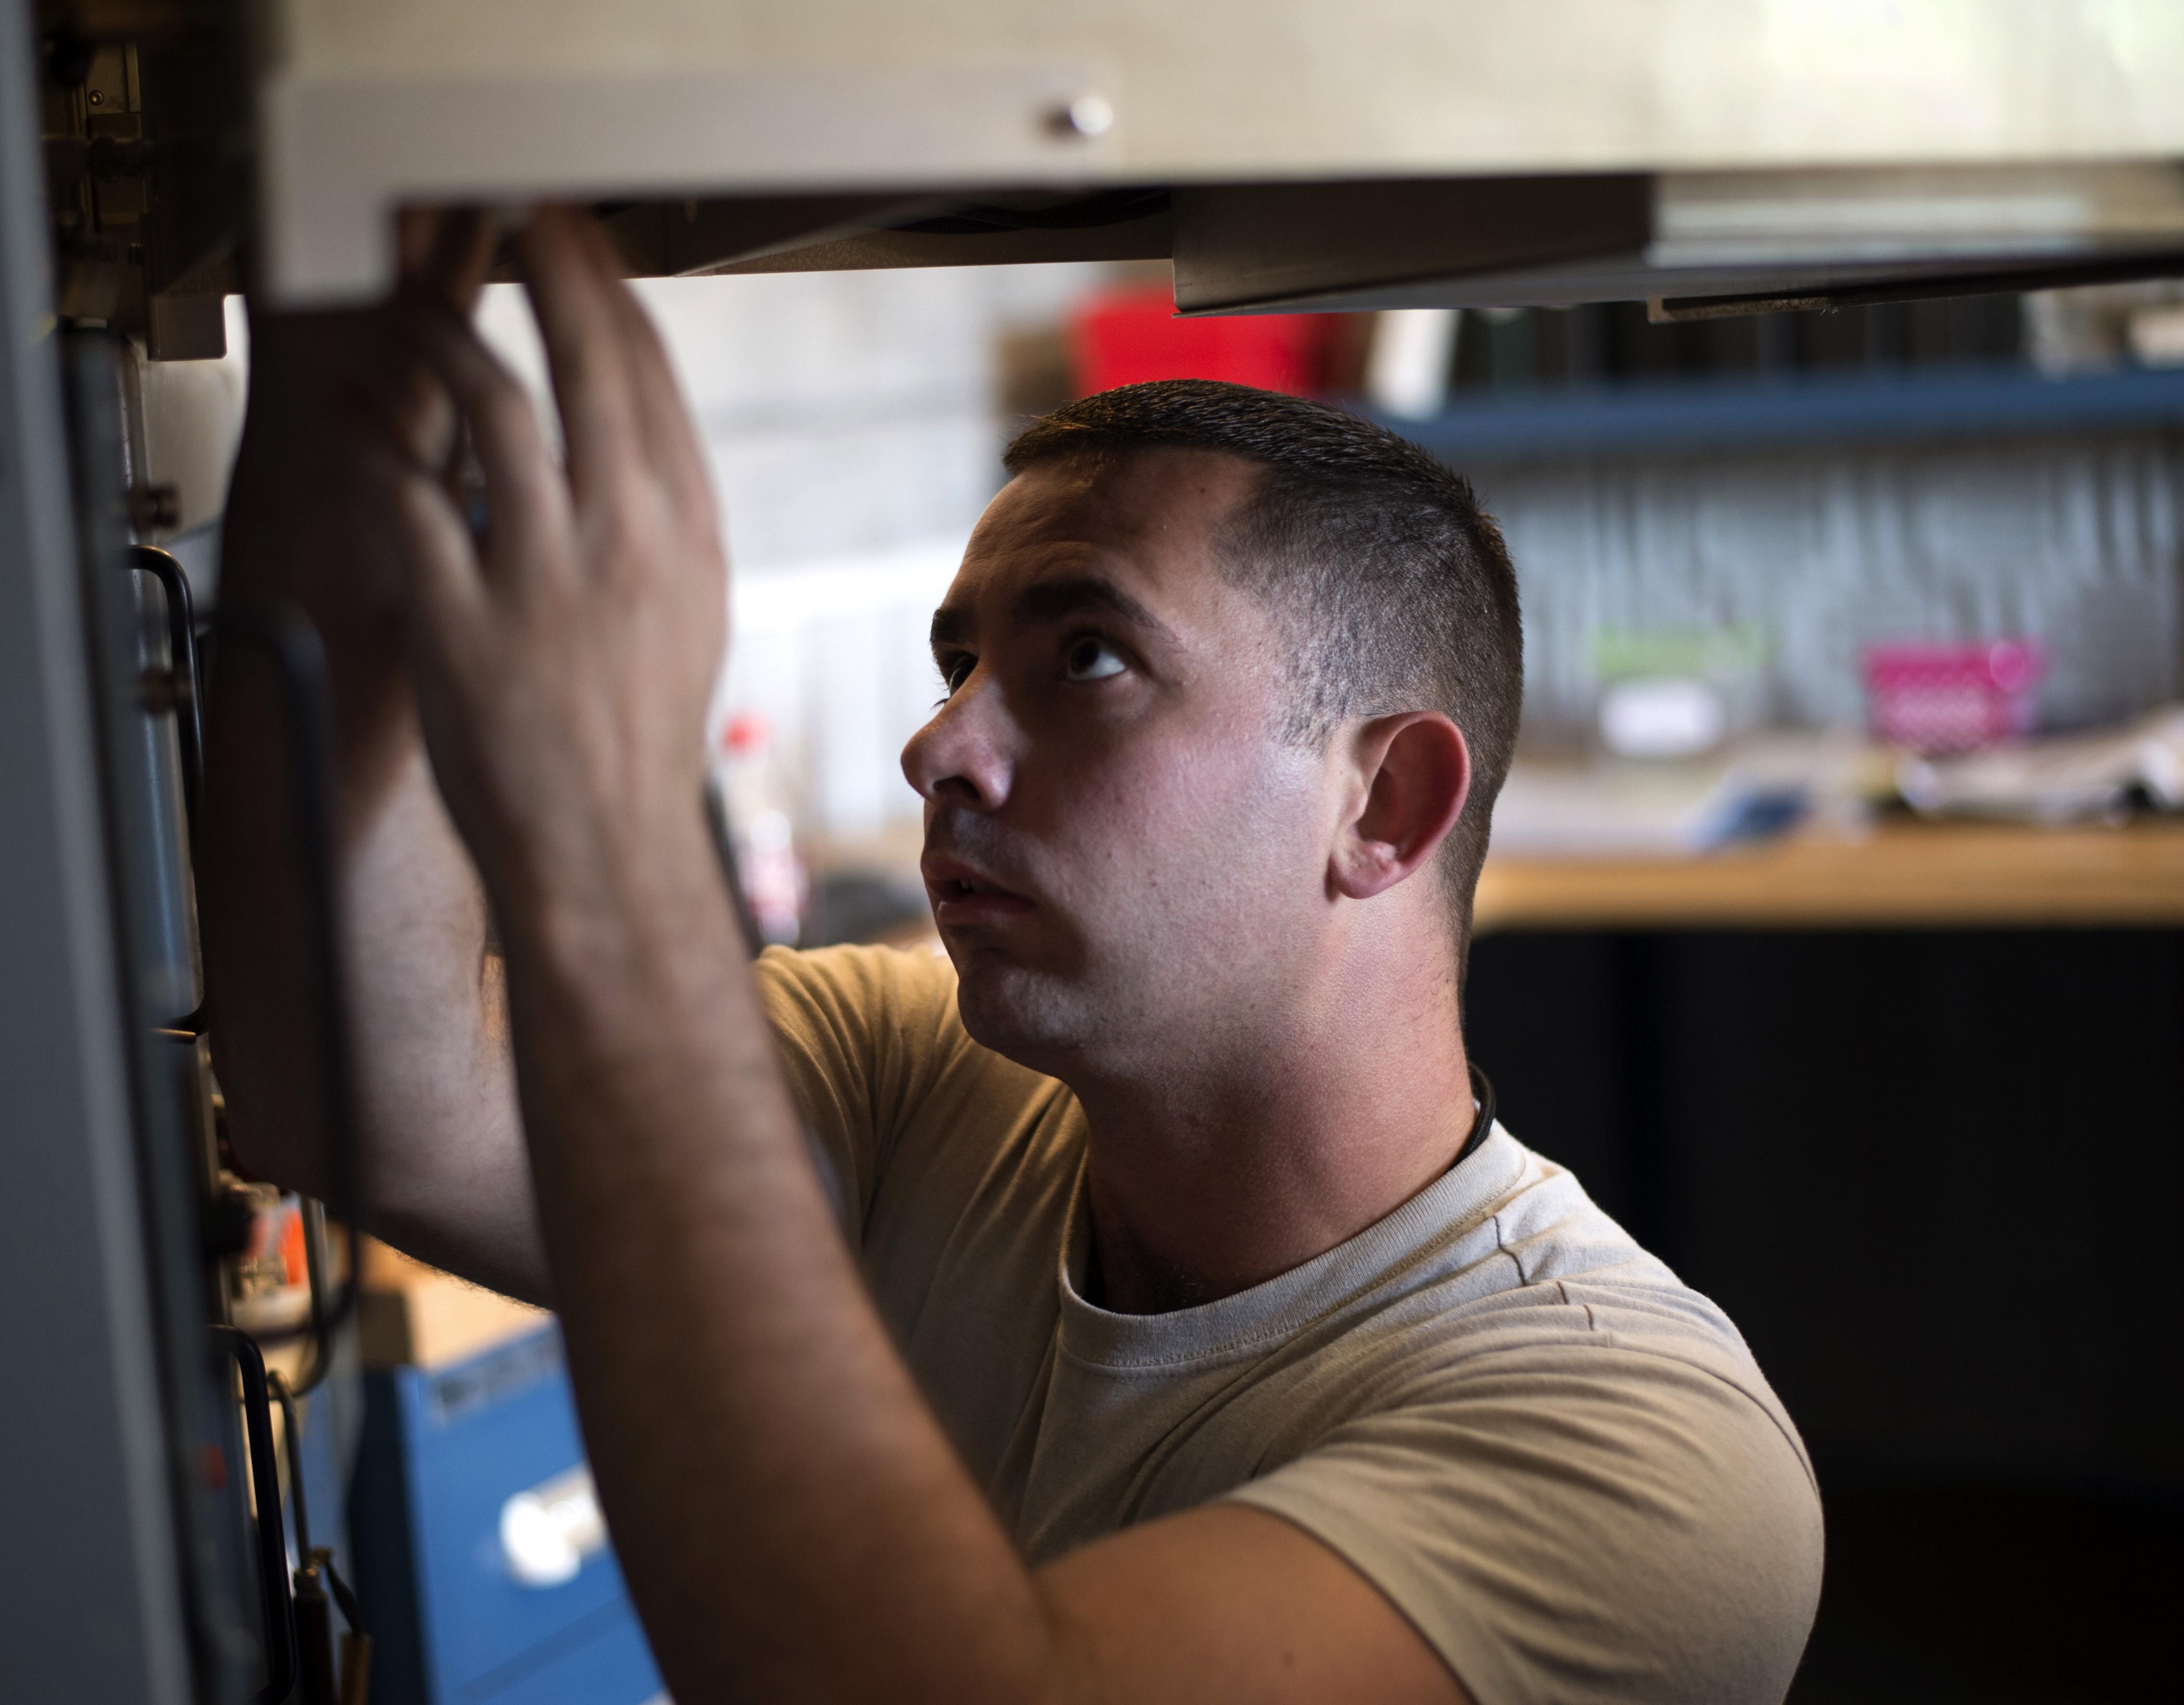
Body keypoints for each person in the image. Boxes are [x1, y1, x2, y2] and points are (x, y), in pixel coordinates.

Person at [207, 207, 1823, 1705]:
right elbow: (359, 1097)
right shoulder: (917, 1075)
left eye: (1089, 656)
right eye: (960, 661)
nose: (941, 746)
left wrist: (615, 848)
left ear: (1382, 805)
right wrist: (333, 404)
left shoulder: (1647, 1457)